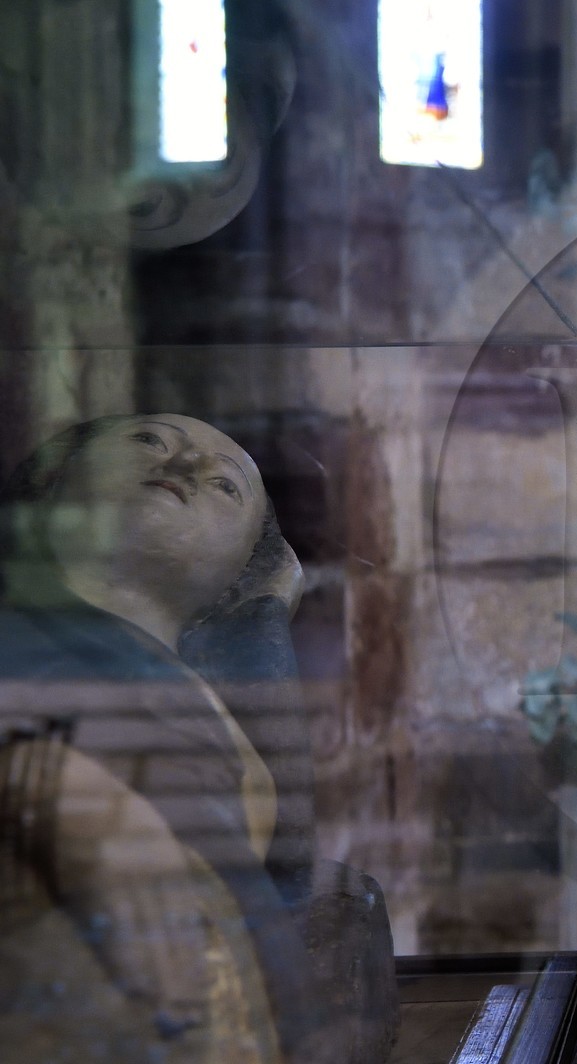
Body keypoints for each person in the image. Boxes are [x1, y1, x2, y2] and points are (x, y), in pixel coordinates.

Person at [0, 415, 327, 1062]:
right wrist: (52, 783)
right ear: (54, 479)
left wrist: (261, 621)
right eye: (149, 440)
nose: (184, 469)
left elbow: (274, 867)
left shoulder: (226, 731)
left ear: (238, 572)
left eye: (226, 486)